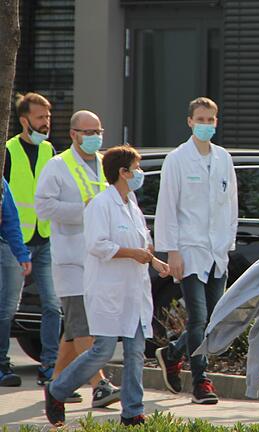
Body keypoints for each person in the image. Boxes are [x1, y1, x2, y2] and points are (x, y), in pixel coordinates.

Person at [44, 145, 170, 427]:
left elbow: (141, 243)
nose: (139, 173)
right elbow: (98, 245)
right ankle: (58, 390)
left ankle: (132, 411)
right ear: (123, 173)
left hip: (134, 290)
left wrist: (153, 259)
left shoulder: (132, 204)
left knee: (136, 350)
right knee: (102, 349)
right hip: (108, 289)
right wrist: (132, 253)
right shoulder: (100, 204)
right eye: (136, 168)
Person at [154, 97, 238, 405]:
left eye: (210, 120)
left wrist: (228, 246)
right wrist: (172, 251)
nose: (206, 125)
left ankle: (173, 352)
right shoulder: (177, 159)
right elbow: (167, 208)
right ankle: (201, 382)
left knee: (215, 321)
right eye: (200, 120)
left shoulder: (224, 158)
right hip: (188, 251)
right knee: (198, 319)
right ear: (189, 121)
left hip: (217, 253)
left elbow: (231, 206)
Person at [34, 110, 121, 407]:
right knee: (83, 323)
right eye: (87, 131)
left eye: (98, 131)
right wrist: (82, 209)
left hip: (97, 259)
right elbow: (43, 207)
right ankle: (99, 384)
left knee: (74, 328)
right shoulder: (57, 166)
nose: (94, 137)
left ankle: (57, 382)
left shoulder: (103, 163)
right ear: (73, 134)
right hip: (70, 258)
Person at [1, 92, 61, 387]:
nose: (46, 122)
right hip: (14, 242)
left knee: (52, 304)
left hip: (45, 238)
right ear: (24, 120)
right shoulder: (8, 151)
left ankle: (49, 365)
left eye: (48, 117)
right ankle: (1, 364)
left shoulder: (50, 151)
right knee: (8, 306)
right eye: (40, 117)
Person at [0, 178, 33, 386]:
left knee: (7, 309)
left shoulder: (1, 182)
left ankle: (2, 363)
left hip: (6, 246)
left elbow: (11, 218)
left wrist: (21, 253)